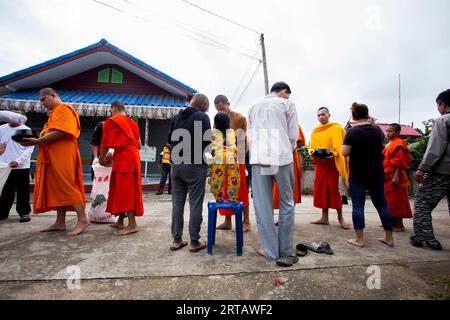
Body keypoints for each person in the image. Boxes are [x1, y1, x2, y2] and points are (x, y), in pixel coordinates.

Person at [20, 88, 90, 236]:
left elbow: (61, 132)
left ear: (53, 95)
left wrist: (38, 141)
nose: (42, 104)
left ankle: (83, 219)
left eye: (44, 99)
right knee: (57, 187)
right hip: (54, 154)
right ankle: (60, 222)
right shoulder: (55, 113)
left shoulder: (63, 109)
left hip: (63, 153)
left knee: (66, 184)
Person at [248, 81, 299, 267]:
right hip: (281, 157)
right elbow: (293, 134)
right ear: (284, 91)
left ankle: (270, 251)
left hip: (259, 157)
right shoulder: (287, 104)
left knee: (263, 205)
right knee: (286, 202)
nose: (288, 97)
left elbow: (250, 136)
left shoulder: (253, 106)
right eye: (288, 94)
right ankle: (285, 251)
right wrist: (289, 146)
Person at [342, 102, 394, 247]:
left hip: (358, 173)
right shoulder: (377, 130)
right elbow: (383, 142)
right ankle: (389, 238)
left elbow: (345, 152)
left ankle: (359, 239)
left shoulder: (351, 132)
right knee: (382, 205)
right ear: (367, 113)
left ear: (353, 116)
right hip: (376, 172)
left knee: (358, 206)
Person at [168, 94, 211, 253]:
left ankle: (177, 240)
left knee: (177, 204)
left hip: (177, 165)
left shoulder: (176, 117)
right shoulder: (202, 117)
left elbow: (169, 140)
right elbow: (207, 141)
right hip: (194, 165)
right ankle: (194, 241)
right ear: (204, 104)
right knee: (195, 202)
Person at [410, 89, 450, 250]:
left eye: (438, 105)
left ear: (442, 104)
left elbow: (435, 148)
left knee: (422, 202)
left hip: (441, 171)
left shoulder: (443, 121)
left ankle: (423, 236)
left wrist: (423, 168)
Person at [99, 101, 144, 236]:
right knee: (120, 189)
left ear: (113, 109)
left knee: (125, 189)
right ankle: (120, 220)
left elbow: (105, 143)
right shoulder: (133, 123)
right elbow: (139, 145)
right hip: (132, 157)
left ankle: (132, 224)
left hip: (125, 159)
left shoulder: (112, 121)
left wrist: (101, 159)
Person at [214, 95, 251, 231]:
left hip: (237, 159)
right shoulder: (217, 119)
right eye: (218, 109)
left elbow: (244, 141)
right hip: (222, 160)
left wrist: (240, 159)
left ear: (228, 103)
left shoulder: (240, 118)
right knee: (225, 190)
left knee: (240, 188)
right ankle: (227, 221)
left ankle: (246, 220)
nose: (220, 111)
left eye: (222, 108)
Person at [309, 107, 351, 229]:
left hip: (332, 164)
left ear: (329, 115)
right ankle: (324, 217)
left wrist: (334, 153)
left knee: (334, 190)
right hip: (321, 164)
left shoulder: (337, 128)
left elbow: (341, 145)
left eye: (323, 114)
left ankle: (340, 218)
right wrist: (312, 152)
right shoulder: (315, 131)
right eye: (318, 115)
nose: (321, 117)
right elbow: (311, 146)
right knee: (321, 190)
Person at [0, 111, 34, 222]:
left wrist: (18, 161)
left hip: (22, 166)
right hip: (5, 165)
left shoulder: (26, 129)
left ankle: (24, 213)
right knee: (5, 190)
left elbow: (29, 149)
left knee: (23, 190)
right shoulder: (2, 128)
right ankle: (3, 212)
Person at [383, 123, 413, 232]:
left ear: (398, 132)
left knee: (396, 201)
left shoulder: (399, 143)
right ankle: (391, 222)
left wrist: (396, 175)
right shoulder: (390, 143)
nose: (388, 133)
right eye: (387, 131)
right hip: (387, 175)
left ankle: (399, 225)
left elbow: (400, 161)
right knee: (389, 201)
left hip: (395, 176)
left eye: (390, 131)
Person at [273, 125, 305, 225]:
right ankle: (281, 217)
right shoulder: (273, 122)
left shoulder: (294, 124)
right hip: (275, 159)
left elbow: (299, 143)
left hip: (290, 159)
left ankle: (287, 218)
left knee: (291, 189)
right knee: (278, 190)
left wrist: (287, 143)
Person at [209, 112, 240, 201]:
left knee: (217, 177)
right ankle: (233, 197)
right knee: (233, 177)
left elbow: (210, 146)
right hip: (231, 156)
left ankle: (218, 197)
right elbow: (236, 144)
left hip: (219, 157)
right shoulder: (232, 132)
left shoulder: (212, 132)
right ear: (228, 122)